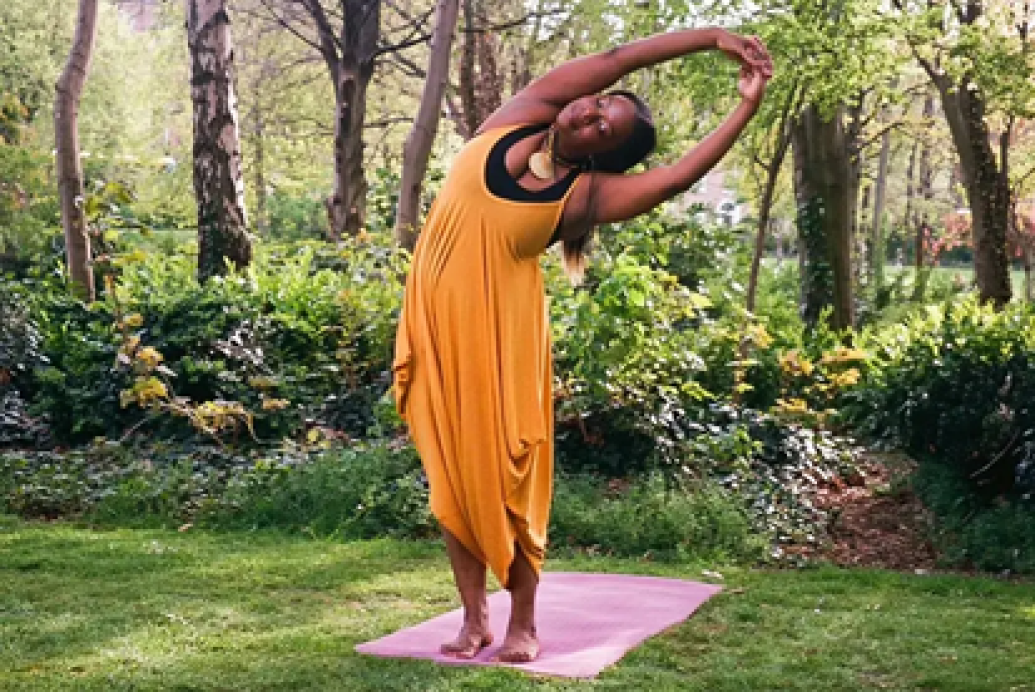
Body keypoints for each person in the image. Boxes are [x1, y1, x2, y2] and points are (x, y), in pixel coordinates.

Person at [393, 28, 773, 664]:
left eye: (606, 129)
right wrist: (712, 37)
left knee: (510, 472)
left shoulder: (580, 196)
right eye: (600, 104)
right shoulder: (522, 114)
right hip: (434, 322)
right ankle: (473, 617)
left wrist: (745, 107)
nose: (591, 114)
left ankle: (523, 622)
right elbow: (620, 58)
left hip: (499, 337)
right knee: (451, 477)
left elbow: (680, 176)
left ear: (603, 158)